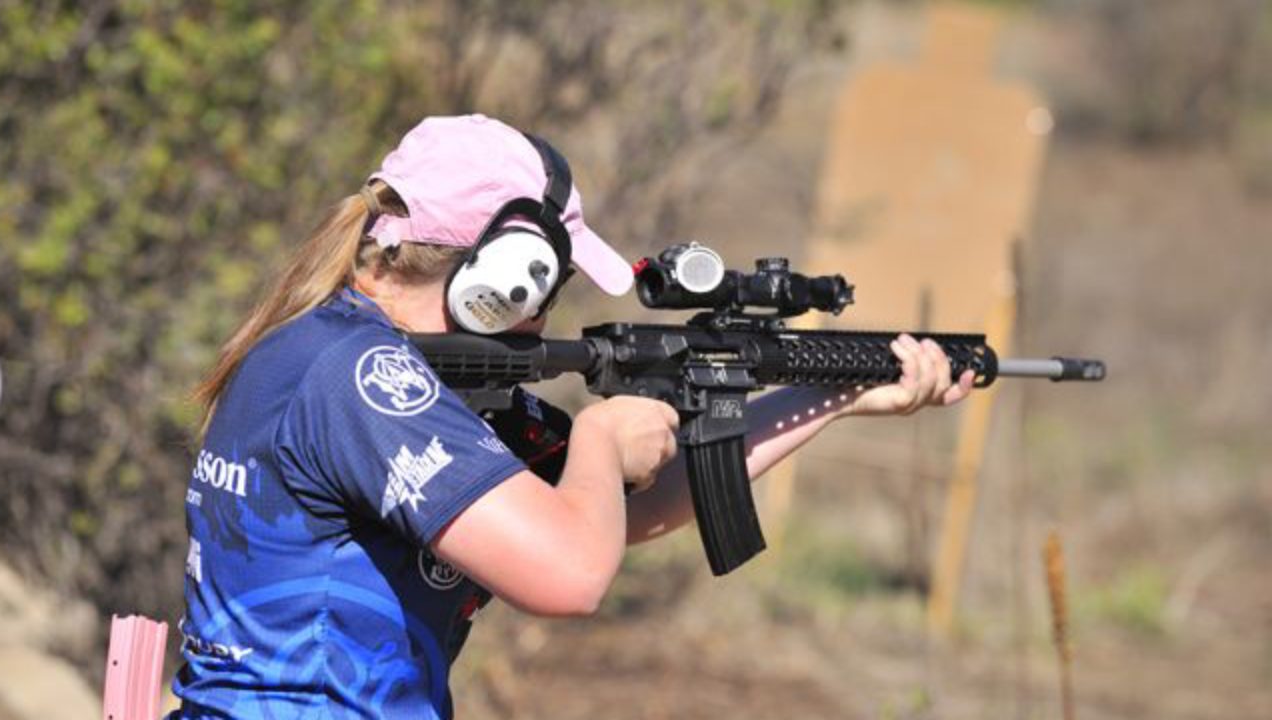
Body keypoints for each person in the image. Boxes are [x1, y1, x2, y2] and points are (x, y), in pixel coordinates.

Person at [171, 114, 973, 719]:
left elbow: (621, 516)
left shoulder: (342, 355)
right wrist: (598, 435)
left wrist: (829, 396)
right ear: (502, 277)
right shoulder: (367, 378)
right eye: (542, 291)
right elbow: (569, 574)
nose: (545, 315)